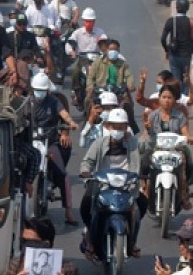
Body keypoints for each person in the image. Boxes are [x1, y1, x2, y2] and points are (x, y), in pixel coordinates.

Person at [79, 109, 145, 261]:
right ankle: (90, 235)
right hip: (102, 186)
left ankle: (132, 241)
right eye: (115, 126)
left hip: (126, 187)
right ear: (108, 127)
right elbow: (87, 161)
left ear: (126, 127)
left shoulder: (133, 144)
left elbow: (138, 161)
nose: (118, 130)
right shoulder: (99, 143)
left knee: (141, 204)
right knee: (86, 204)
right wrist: (86, 172)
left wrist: (135, 179)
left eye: (121, 127)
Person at [3, 217, 88, 275]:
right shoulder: (16, 264)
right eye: (23, 241)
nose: (26, 246)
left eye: (31, 242)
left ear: (46, 244)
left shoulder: (67, 269)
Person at [31, 72, 80, 225]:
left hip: (49, 142)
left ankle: (68, 210)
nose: (39, 93)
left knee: (62, 174)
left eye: (42, 90)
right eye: (37, 89)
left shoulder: (53, 101)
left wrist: (71, 122)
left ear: (47, 90)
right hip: (31, 142)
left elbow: (63, 113)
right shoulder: (28, 102)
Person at [144, 85, 193, 210]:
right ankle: (144, 188)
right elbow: (147, 135)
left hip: (176, 149)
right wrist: (148, 130)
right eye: (164, 97)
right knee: (142, 160)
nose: (167, 100)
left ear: (174, 100)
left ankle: (183, 194)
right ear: (159, 99)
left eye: (170, 97)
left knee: (188, 159)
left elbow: (185, 133)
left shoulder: (180, 116)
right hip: (157, 148)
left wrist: (189, 138)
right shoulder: (153, 115)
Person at [161, 0, 193, 94]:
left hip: (174, 55)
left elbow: (163, 39)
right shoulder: (190, 22)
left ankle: (177, 99)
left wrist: (166, 50)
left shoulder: (171, 21)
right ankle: (185, 99)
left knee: (176, 79)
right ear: (187, 8)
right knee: (185, 79)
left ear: (177, 7)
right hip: (186, 55)